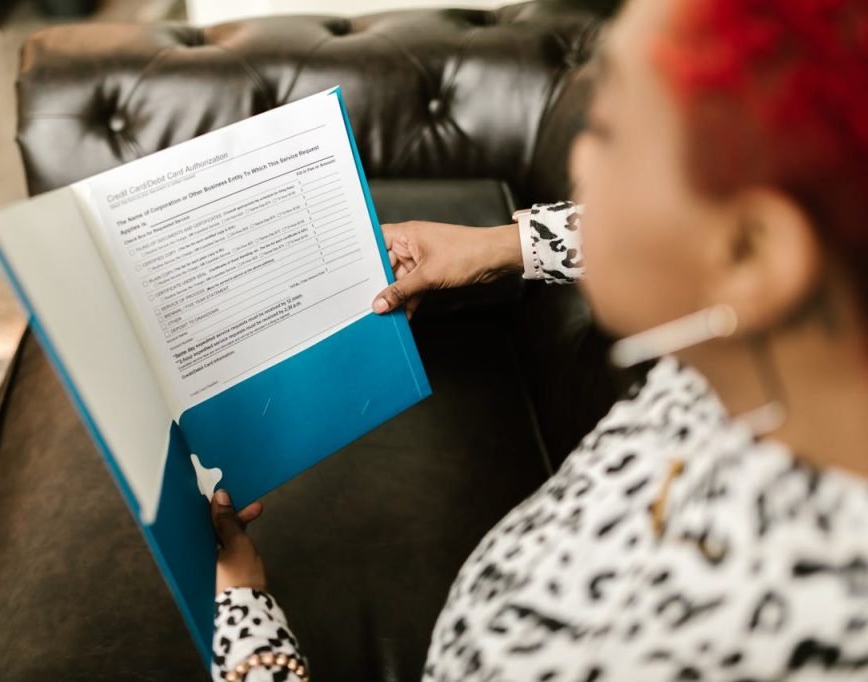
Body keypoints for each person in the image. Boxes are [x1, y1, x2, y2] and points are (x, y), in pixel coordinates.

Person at [207, 0, 868, 678]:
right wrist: (504, 245)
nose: (575, 158)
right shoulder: (753, 350)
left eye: (607, 130)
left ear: (754, 252)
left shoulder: (730, 636)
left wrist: (243, 613)